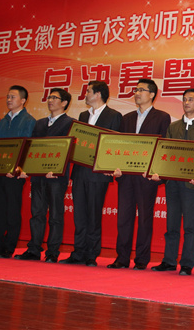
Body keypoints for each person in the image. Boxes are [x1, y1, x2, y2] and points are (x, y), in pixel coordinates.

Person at [107, 79, 171, 270]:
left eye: (141, 90)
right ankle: (122, 258)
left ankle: (142, 259)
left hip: (146, 176)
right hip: (126, 176)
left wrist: (157, 172)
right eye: (135, 90)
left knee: (144, 218)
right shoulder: (126, 118)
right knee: (124, 218)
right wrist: (116, 167)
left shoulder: (162, 117)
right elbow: (119, 146)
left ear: (152, 94)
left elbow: (163, 147)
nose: (136, 93)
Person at [150, 88, 194, 276]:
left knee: (189, 226)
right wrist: (160, 173)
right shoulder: (173, 127)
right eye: (184, 99)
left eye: (191, 100)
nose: (186, 103)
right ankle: (169, 261)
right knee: (171, 224)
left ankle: (187, 263)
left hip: (191, 185)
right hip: (172, 183)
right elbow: (166, 153)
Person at [60, 81, 122, 267]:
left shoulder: (114, 116)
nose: (85, 95)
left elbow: (115, 144)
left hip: (98, 174)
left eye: (88, 91)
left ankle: (91, 254)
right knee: (79, 215)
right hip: (80, 171)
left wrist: (110, 167)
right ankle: (78, 252)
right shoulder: (83, 115)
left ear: (98, 94)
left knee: (93, 215)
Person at [15, 88, 74, 262]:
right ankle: (34, 249)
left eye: (55, 97)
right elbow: (32, 148)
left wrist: (56, 168)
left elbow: (68, 150)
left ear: (64, 103)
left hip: (56, 177)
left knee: (55, 215)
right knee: (37, 213)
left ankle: (52, 252)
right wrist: (26, 168)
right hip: (38, 176)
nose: (50, 100)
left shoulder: (70, 123)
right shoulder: (40, 123)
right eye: (49, 97)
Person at [0, 85, 36, 258]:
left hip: (14, 173)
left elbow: (27, 146)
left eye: (13, 97)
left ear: (23, 100)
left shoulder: (29, 120)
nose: (9, 100)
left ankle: (9, 246)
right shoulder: (3, 120)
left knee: (12, 209)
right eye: (8, 96)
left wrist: (17, 168)